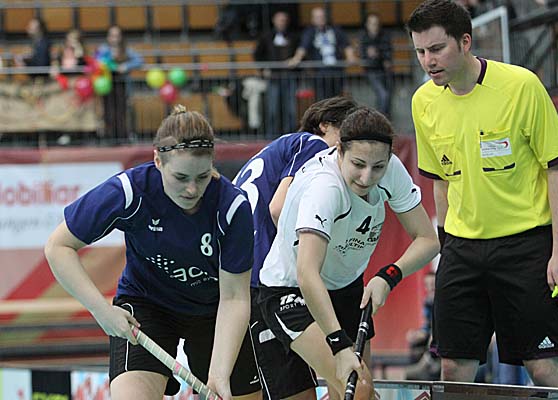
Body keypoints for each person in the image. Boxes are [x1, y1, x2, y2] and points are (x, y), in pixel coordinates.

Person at [407, 0, 558, 387]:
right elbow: (441, 181)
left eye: (437, 49)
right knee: (453, 370)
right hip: (461, 249)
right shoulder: (423, 102)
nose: (428, 61)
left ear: (465, 42)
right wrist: (446, 246)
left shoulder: (521, 86)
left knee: (543, 369)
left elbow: (556, 169)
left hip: (525, 245)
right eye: (420, 51)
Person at [44, 105, 261, 400]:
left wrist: (219, 375)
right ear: (157, 160)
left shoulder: (232, 207)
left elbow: (234, 297)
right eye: (181, 177)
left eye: (202, 177)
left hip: (215, 312)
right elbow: (58, 246)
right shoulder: (129, 192)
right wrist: (101, 311)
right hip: (147, 308)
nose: (192, 189)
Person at [257, 107, 440, 398]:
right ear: (340, 151)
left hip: (346, 287)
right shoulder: (324, 187)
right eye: (358, 164)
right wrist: (338, 344)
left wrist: (388, 277)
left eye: (378, 167)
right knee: (358, 387)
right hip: (291, 291)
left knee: (358, 392)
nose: (367, 177)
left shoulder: (391, 170)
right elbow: (307, 273)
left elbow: (428, 240)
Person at [233, 96, 358, 400]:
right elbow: (279, 208)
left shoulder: (279, 149)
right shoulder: (314, 147)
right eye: (347, 135)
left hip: (239, 279)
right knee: (336, 384)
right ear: (325, 125)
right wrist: (312, 261)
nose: (350, 148)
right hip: (264, 280)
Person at [288, 7, 357, 100]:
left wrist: (350, 56)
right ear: (312, 19)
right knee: (322, 100)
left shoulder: (335, 29)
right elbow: (303, 47)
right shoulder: (309, 32)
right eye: (317, 17)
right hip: (319, 74)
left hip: (337, 72)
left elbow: (346, 45)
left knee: (337, 100)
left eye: (322, 16)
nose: (320, 19)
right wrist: (296, 58)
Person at [254, 10, 300, 136]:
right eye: (279, 20)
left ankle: (290, 135)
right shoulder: (266, 37)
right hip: (273, 77)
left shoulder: (293, 37)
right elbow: (258, 54)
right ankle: (271, 135)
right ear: (274, 21)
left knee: (290, 109)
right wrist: (263, 69)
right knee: (272, 109)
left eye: (284, 20)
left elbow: (299, 54)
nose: (282, 22)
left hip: (289, 76)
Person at [95, 25, 143, 140]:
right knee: (108, 110)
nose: (114, 39)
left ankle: (121, 135)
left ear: (121, 37)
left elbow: (139, 60)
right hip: (106, 84)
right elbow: (95, 61)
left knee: (121, 110)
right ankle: (109, 135)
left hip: (121, 83)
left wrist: (125, 66)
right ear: (108, 37)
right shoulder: (103, 49)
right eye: (112, 36)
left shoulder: (126, 50)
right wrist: (103, 64)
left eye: (117, 36)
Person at [359, 13, 393, 117]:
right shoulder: (364, 37)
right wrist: (369, 55)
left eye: (376, 23)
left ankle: (384, 117)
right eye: (372, 23)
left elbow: (388, 52)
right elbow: (362, 54)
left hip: (384, 71)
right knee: (383, 95)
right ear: (367, 24)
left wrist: (378, 54)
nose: (374, 26)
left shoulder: (384, 36)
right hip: (371, 71)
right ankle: (381, 118)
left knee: (387, 96)